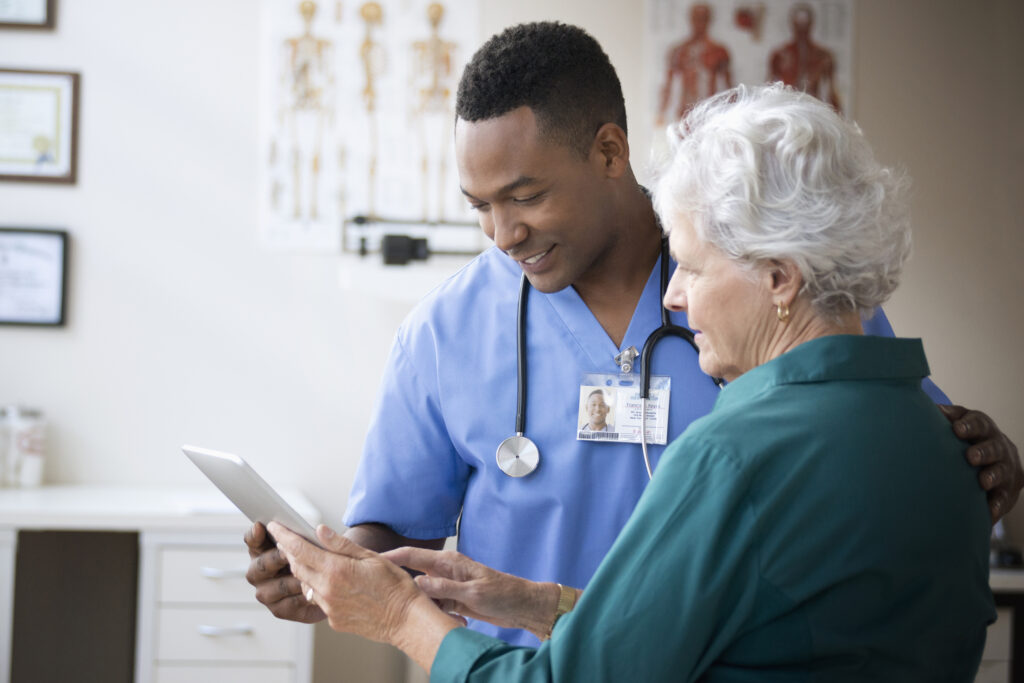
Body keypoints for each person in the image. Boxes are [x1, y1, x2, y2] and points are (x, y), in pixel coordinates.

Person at [247, 22, 1021, 647]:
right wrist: (331, 577)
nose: (502, 233)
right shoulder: (445, 331)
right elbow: (393, 533)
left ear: (610, 151)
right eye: (478, 205)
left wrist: (984, 458)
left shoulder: (771, 288)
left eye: (525, 195)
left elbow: (894, 459)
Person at [656, 3, 733, 125]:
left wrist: (733, 113)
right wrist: (661, 112)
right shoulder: (679, 51)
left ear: (709, 20)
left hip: (710, 113)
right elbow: (668, 85)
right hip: (684, 114)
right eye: (696, 18)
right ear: (690, 19)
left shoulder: (719, 51)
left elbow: (729, 87)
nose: (700, 22)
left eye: (703, 18)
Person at [769, 3, 842, 112]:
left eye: (805, 23)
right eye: (798, 23)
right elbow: (769, 87)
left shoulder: (823, 56)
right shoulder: (779, 55)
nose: (801, 28)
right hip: (787, 109)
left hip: (813, 109)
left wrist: (838, 120)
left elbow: (832, 92)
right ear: (792, 23)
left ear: (811, 24)